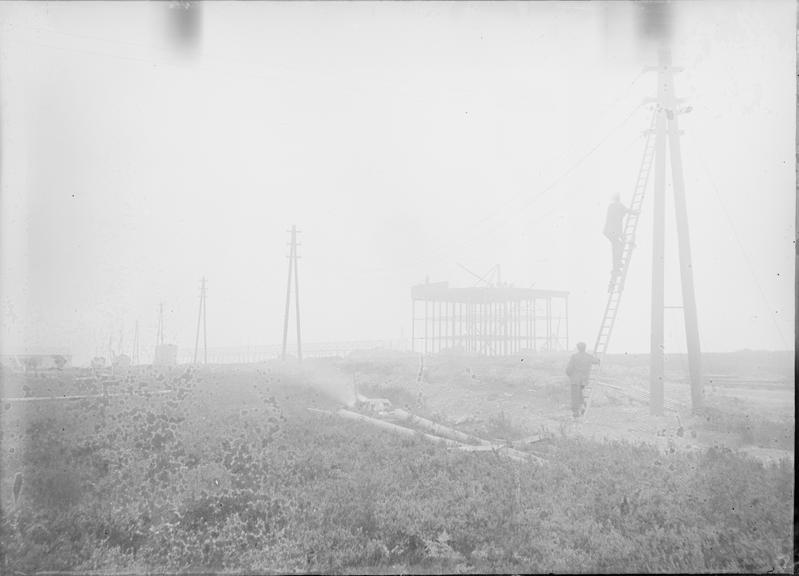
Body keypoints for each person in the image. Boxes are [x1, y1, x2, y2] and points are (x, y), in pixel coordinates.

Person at [565, 342, 599, 418]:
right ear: (585, 348)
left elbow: (568, 369)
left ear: (577, 348)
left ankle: (576, 412)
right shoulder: (589, 356)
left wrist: (570, 375)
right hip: (583, 380)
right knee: (580, 394)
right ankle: (583, 406)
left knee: (575, 396)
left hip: (575, 380)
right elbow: (596, 361)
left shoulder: (574, 356)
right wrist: (598, 359)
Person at [603, 195, 629, 279]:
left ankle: (617, 265)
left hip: (608, 232)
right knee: (618, 246)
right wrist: (621, 235)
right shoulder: (618, 205)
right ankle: (616, 267)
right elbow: (618, 220)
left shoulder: (611, 206)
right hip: (613, 232)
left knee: (616, 246)